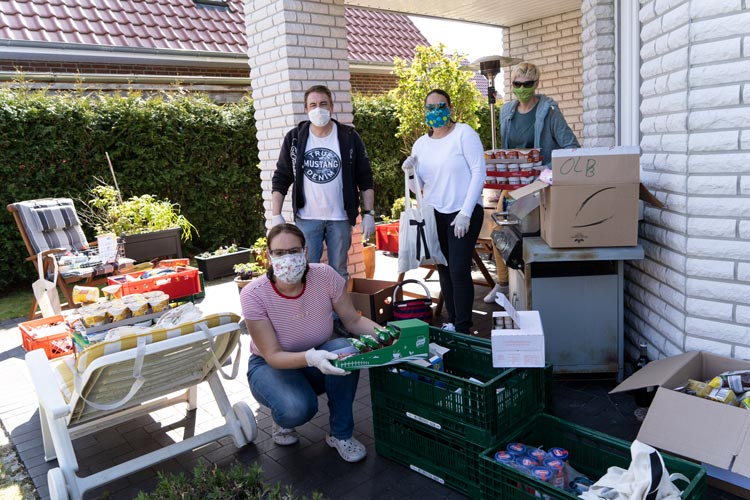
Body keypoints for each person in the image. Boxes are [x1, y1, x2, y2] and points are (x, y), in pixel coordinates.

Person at [239, 223, 381, 463]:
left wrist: (391, 335)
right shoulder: (254, 294)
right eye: (280, 253)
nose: (288, 258)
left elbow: (353, 321)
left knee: (346, 349)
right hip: (270, 366)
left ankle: (341, 434)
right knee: (297, 408)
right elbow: (272, 354)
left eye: (294, 251)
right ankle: (282, 415)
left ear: (305, 252)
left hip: (316, 358)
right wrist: (310, 357)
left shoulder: (324, 276)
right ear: (269, 256)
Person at [484, 62, 580, 303]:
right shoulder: (507, 112)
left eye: (528, 84)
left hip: (539, 185)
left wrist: (545, 169)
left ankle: (534, 290)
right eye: (517, 84)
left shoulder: (549, 111)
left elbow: (572, 147)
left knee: (530, 236)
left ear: (536, 84)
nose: (522, 88)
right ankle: (504, 284)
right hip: (514, 185)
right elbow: (507, 150)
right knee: (498, 230)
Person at [401, 89, 486, 334]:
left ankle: (463, 327)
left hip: (463, 212)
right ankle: (453, 320)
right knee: (444, 269)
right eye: (430, 108)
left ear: (450, 108)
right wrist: (409, 173)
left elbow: (478, 173)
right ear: (424, 112)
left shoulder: (464, 134)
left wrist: (467, 213)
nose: (435, 112)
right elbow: (419, 189)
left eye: (441, 106)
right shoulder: (421, 144)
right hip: (434, 213)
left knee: (459, 269)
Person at [270, 85, 375, 279]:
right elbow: (282, 176)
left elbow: (365, 177)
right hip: (307, 218)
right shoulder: (294, 138)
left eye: (323, 104)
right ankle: (313, 311)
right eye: (313, 104)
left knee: (339, 271)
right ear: (306, 109)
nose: (318, 109)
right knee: (307, 271)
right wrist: (276, 215)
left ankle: (337, 311)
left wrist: (369, 213)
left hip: (341, 218)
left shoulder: (349, 137)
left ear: (331, 107)